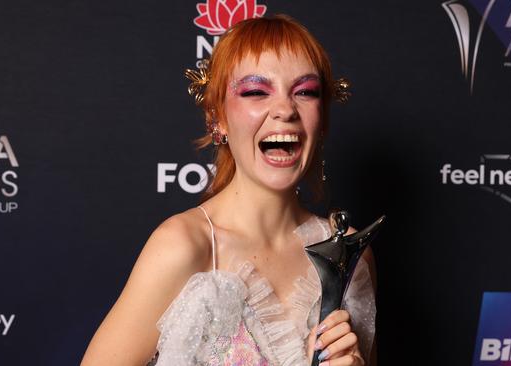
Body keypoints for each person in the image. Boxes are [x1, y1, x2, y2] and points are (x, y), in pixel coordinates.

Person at [81, 14, 377, 366]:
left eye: (305, 92)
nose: (285, 109)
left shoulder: (348, 253)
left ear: (322, 119)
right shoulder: (184, 245)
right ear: (216, 118)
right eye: (255, 92)